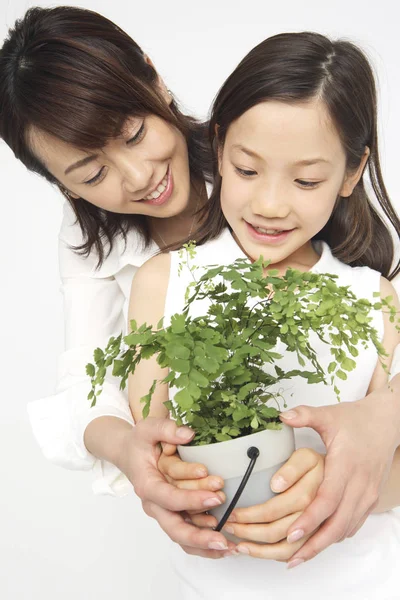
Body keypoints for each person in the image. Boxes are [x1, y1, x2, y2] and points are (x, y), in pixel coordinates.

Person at [0, 6, 399, 565]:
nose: (139, 177)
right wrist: (137, 456)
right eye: (91, 174)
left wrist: (386, 416)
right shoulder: (129, 262)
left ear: (154, 77)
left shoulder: (269, 145)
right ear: (62, 186)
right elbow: (87, 385)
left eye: (135, 134)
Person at [127, 32, 400, 599]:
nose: (270, 204)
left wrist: (335, 487)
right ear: (221, 148)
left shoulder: (377, 297)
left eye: (306, 180)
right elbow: (154, 442)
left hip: (363, 584)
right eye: (248, 170)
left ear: (352, 174)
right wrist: (172, 480)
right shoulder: (164, 282)